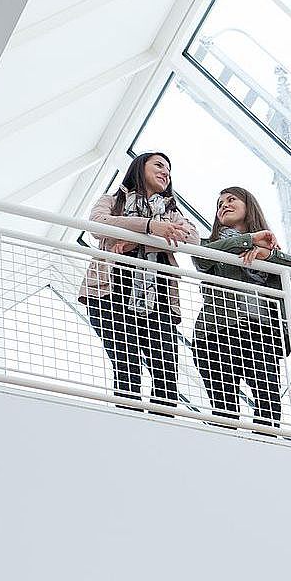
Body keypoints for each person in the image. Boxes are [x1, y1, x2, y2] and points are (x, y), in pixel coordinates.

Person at [79, 152, 199, 413]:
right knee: (127, 367)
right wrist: (150, 227)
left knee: (167, 374)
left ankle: (160, 428)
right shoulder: (112, 200)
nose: (166, 173)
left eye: (169, 170)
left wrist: (136, 241)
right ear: (139, 167)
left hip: (159, 301)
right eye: (159, 165)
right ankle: (128, 426)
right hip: (109, 294)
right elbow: (97, 225)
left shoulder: (171, 212)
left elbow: (193, 238)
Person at [192, 186, 291, 429]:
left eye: (231, 199)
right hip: (216, 334)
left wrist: (269, 256)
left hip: (260, 333)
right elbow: (201, 258)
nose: (223, 205)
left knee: (270, 408)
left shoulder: (269, 250)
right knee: (225, 412)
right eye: (219, 204)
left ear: (249, 206)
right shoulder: (210, 244)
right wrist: (249, 240)